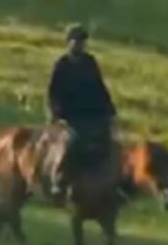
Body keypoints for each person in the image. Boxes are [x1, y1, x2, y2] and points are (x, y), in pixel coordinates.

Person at [47, 24, 116, 198]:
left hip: (92, 115)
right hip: (71, 116)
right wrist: (56, 113)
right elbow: (53, 92)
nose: (79, 45)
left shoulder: (90, 62)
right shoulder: (62, 65)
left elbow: (99, 87)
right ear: (69, 42)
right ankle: (58, 180)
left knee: (108, 143)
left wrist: (109, 109)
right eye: (76, 41)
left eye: (82, 42)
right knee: (72, 143)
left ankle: (110, 183)